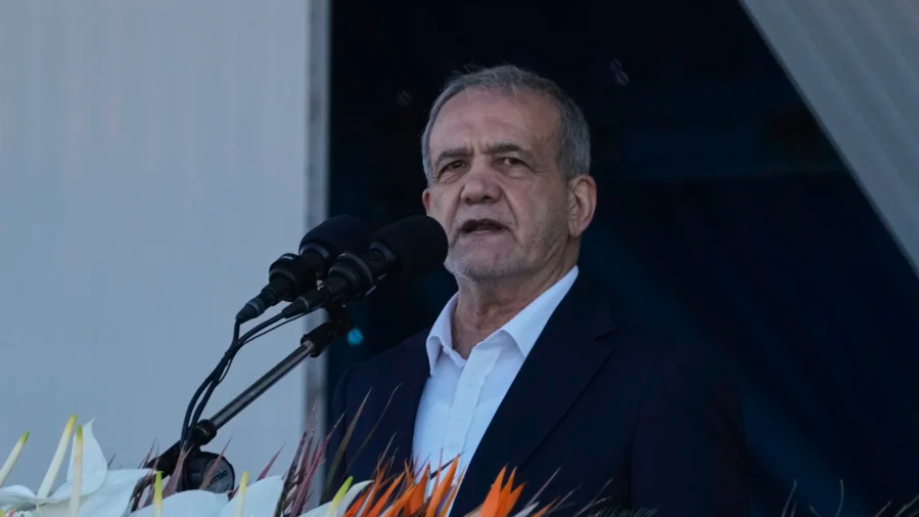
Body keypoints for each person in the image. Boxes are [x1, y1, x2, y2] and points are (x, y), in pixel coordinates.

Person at [328, 65, 748, 517]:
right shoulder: (367, 388)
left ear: (577, 204)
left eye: (511, 161)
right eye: (453, 166)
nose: (476, 188)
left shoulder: (663, 383)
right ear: (430, 208)